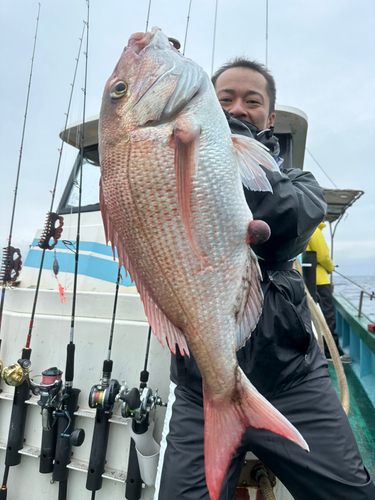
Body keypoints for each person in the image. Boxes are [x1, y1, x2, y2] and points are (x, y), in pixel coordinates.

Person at [154, 58, 375, 500]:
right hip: (202, 388)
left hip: (291, 380)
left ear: (269, 118)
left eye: (252, 102)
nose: (239, 108)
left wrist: (223, 149)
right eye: (225, 100)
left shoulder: (299, 181)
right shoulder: (171, 168)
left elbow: (286, 224)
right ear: (206, 108)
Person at [306, 222, 353, 363]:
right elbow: (323, 256)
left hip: (304, 279)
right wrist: (330, 267)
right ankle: (331, 353)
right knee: (328, 316)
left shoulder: (301, 229)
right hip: (318, 280)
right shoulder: (314, 230)